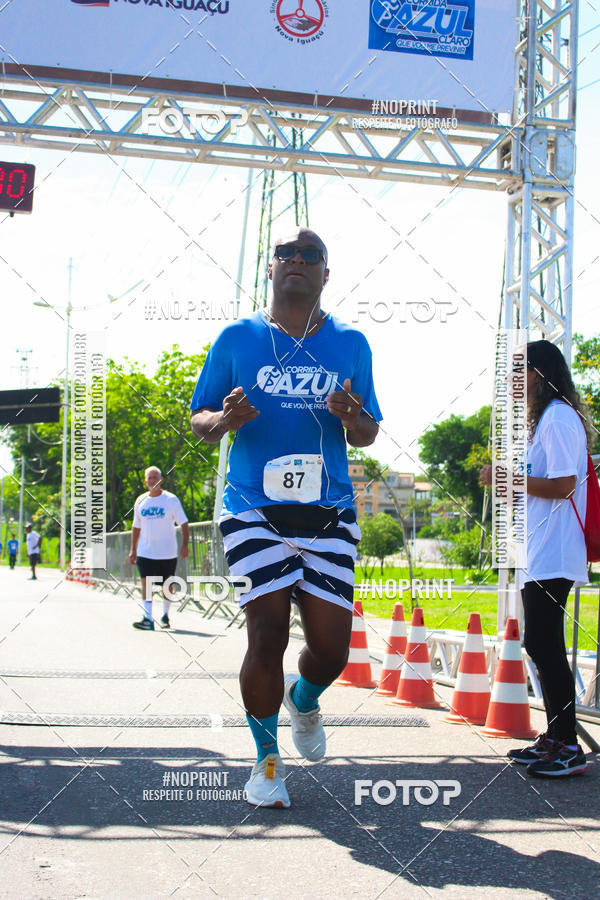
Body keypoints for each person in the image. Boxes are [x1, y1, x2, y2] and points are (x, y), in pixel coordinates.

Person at [190, 228, 382, 808]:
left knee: (331, 650)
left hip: (328, 512)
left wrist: (354, 418)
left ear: (327, 273)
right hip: (252, 508)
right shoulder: (236, 337)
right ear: (269, 269)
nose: (298, 262)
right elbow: (197, 419)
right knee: (266, 632)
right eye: (286, 255)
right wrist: (224, 421)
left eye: (311, 256)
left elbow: (371, 432)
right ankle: (266, 763)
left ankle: (305, 697)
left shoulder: (351, 343)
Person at [481, 339, 591, 777]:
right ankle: (556, 736)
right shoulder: (546, 418)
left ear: (540, 374)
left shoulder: (559, 418)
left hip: (556, 549)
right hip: (541, 550)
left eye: (519, 372)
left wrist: (510, 477)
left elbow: (565, 484)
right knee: (540, 642)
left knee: (544, 642)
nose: (513, 382)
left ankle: (567, 744)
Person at [128, 466, 189, 631]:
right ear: (145, 481)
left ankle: (165, 615)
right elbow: (136, 527)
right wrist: (133, 549)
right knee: (146, 583)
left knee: (167, 585)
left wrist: (185, 544)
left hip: (167, 551)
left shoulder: (171, 500)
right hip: (145, 551)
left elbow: (183, 523)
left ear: (161, 480)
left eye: (155, 477)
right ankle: (148, 618)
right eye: (149, 478)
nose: (152, 480)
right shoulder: (141, 501)